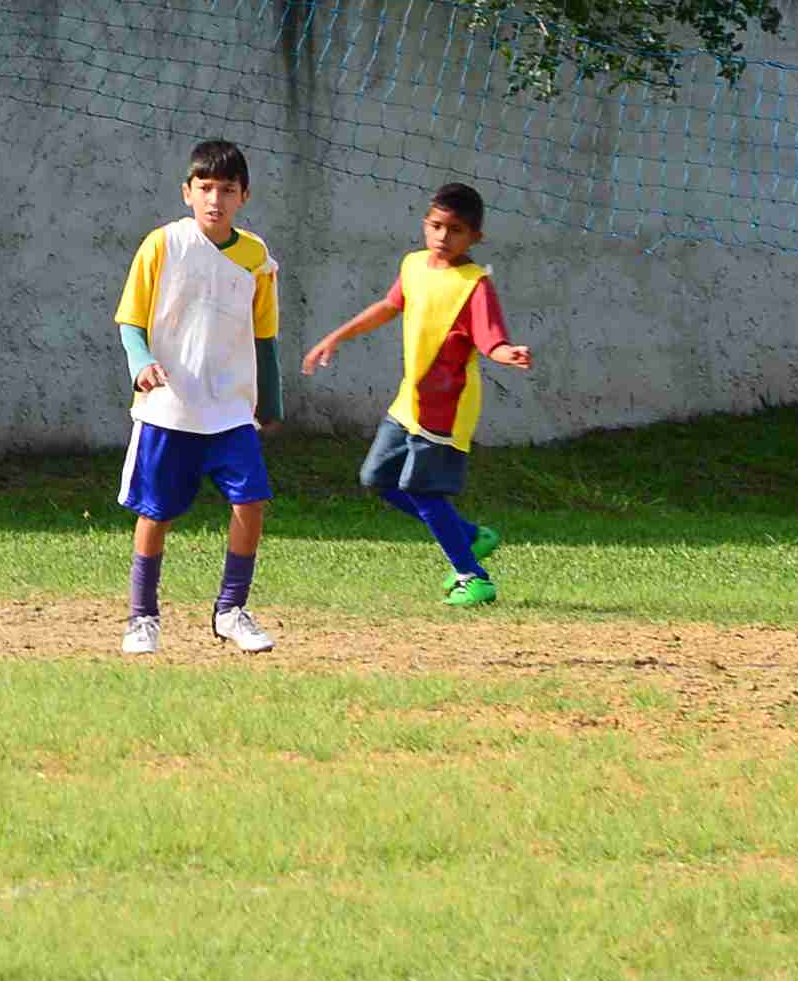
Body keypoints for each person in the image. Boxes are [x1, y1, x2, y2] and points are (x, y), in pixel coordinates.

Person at [304, 182, 536, 608]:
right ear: (425, 224)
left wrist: (509, 354)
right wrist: (337, 336)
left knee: (425, 493)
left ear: (475, 238)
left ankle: (473, 576)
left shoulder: (474, 285)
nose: (444, 237)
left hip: (446, 411)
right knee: (375, 478)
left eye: (457, 230)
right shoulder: (413, 266)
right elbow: (390, 306)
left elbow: (491, 340)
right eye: (437, 226)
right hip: (408, 403)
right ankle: (468, 535)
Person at [113, 138, 281, 656]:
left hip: (229, 408)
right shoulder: (162, 245)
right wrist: (140, 363)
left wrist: (270, 399)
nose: (216, 199)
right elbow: (131, 321)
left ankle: (231, 609)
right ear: (187, 192)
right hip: (170, 406)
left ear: (244, 196)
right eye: (205, 188)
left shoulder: (256, 258)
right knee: (155, 512)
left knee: (251, 500)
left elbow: (265, 334)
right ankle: (142, 617)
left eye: (227, 190)